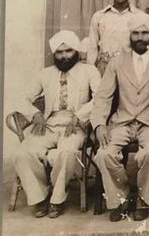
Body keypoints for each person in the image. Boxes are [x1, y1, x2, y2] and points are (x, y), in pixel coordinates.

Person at [90, 13, 149, 222]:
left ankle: (141, 198)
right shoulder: (117, 61)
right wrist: (99, 125)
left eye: (144, 33)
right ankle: (121, 197)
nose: (140, 37)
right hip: (122, 121)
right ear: (130, 36)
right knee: (104, 154)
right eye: (136, 33)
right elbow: (103, 96)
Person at [14, 31, 100, 218]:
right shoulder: (45, 74)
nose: (64, 56)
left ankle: (57, 199)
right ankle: (39, 196)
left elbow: (100, 98)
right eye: (59, 52)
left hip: (75, 124)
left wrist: (79, 116)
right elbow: (22, 98)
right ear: (54, 54)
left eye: (68, 50)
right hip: (49, 123)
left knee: (67, 152)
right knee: (22, 152)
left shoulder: (89, 71)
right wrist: (35, 113)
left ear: (76, 51)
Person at [87, 0, 144, 74]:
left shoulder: (139, 16)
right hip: (104, 68)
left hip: (130, 68)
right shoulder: (99, 16)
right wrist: (90, 72)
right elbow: (92, 47)